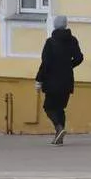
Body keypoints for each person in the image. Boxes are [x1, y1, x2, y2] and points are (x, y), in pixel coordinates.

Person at [34, 16, 84, 146]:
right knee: (60, 108)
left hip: (52, 81)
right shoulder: (72, 40)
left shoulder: (50, 42)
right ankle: (59, 136)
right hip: (67, 80)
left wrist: (39, 79)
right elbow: (79, 57)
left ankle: (59, 128)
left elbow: (45, 63)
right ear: (65, 25)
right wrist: (68, 65)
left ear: (55, 26)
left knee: (49, 107)